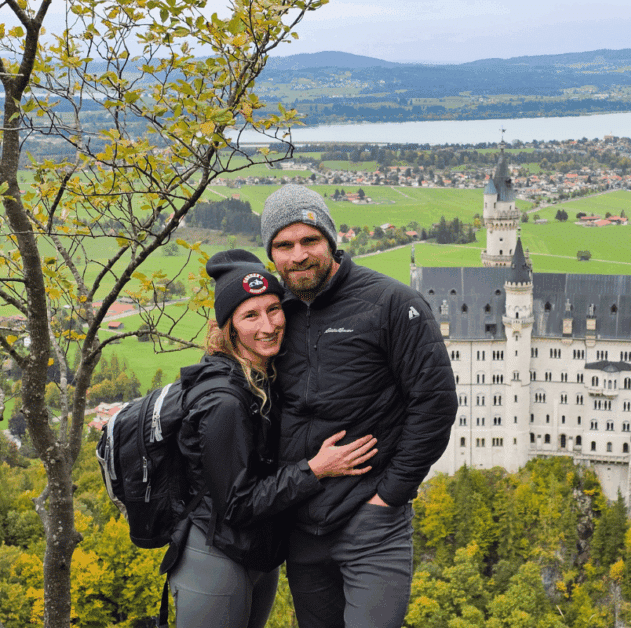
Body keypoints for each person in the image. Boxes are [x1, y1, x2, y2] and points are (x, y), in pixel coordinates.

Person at [260, 185, 458, 628]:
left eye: (309, 240)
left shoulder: (391, 304)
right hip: (302, 525)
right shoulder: (274, 315)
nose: (298, 256)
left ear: (331, 240)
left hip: (372, 523)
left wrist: (388, 497)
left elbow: (435, 404)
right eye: (283, 245)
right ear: (271, 253)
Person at [168, 249, 378, 628]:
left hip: (257, 556)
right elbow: (236, 503)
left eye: (273, 309)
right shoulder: (225, 402)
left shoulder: (260, 378)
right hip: (216, 558)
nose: (268, 325)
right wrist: (316, 469)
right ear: (228, 327)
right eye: (250, 315)